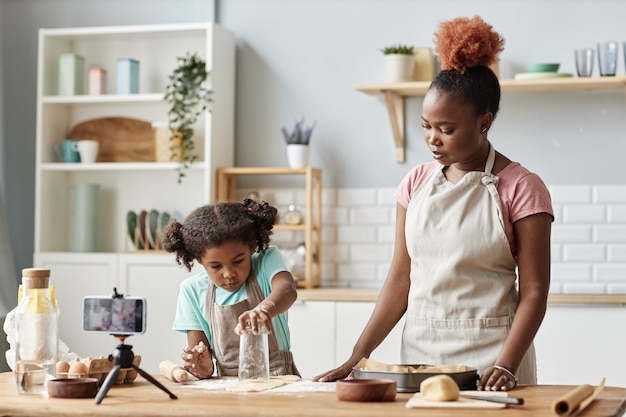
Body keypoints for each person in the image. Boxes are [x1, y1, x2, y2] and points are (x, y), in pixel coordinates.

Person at [314, 16, 553, 391]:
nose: (432, 139)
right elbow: (399, 279)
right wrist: (357, 357)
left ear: (484, 123)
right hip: (420, 360)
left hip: (494, 362)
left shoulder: (522, 187)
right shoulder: (415, 183)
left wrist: (506, 364)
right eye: (426, 125)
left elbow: (535, 290)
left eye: (446, 129)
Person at [161, 198, 300, 378]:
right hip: (226, 388)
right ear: (199, 260)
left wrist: (264, 310)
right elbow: (204, 365)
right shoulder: (192, 290)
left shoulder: (266, 261)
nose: (228, 274)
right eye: (216, 266)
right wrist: (201, 367)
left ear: (251, 247)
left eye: (238, 261)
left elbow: (287, 289)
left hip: (280, 381)